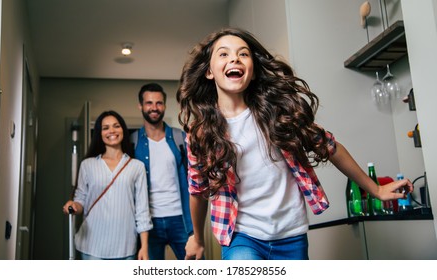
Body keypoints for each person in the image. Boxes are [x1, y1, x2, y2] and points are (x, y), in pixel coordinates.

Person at [177, 27, 414, 260]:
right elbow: (197, 192)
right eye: (224, 54)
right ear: (209, 71)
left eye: (243, 53)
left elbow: (331, 148)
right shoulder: (201, 134)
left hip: (291, 236)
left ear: (254, 70)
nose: (234, 59)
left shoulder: (279, 114)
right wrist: (198, 238)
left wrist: (377, 190)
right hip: (242, 236)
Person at [63, 110, 152, 260]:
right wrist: (73, 205)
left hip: (125, 247)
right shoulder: (88, 165)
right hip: (91, 246)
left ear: (123, 130)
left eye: (116, 126)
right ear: (100, 133)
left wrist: (144, 247)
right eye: (106, 128)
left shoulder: (137, 167)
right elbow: (81, 200)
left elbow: (142, 210)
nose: (112, 131)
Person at [131, 82, 193, 260]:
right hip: (149, 223)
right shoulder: (132, 142)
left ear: (164, 106)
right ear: (140, 106)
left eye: (159, 103)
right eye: (149, 103)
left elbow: (195, 178)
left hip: (181, 219)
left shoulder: (180, 137)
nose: (154, 108)